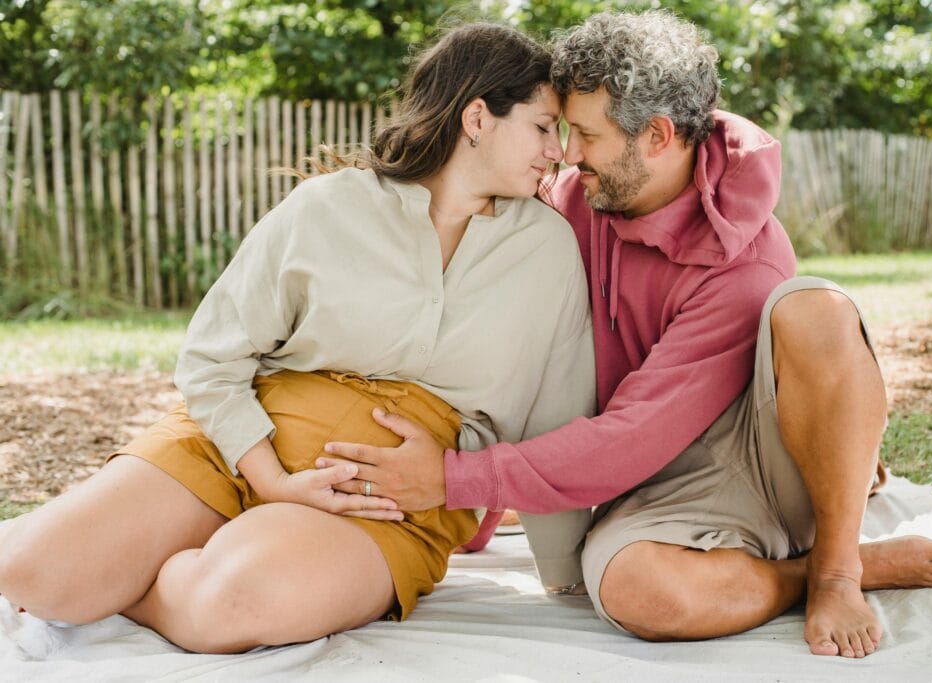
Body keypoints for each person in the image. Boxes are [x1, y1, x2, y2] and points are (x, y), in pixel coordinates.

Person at [322, 11, 932, 659]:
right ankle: (811, 569)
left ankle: (835, 567)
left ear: (657, 136)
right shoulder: (578, 202)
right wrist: (476, 506)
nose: (568, 154)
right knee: (640, 593)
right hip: (649, 478)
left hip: (747, 457)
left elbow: (634, 435)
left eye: (588, 136)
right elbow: (521, 342)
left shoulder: (742, 255)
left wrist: (455, 479)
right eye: (566, 131)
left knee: (817, 309)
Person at [0, 23, 595, 653]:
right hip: (241, 443)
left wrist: (563, 575)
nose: (557, 151)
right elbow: (211, 357)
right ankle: (167, 548)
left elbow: (557, 415)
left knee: (231, 604)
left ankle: (152, 573)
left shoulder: (547, 251)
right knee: (34, 575)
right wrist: (270, 477)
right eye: (541, 126)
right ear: (477, 117)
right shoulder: (326, 208)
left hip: (385, 496)